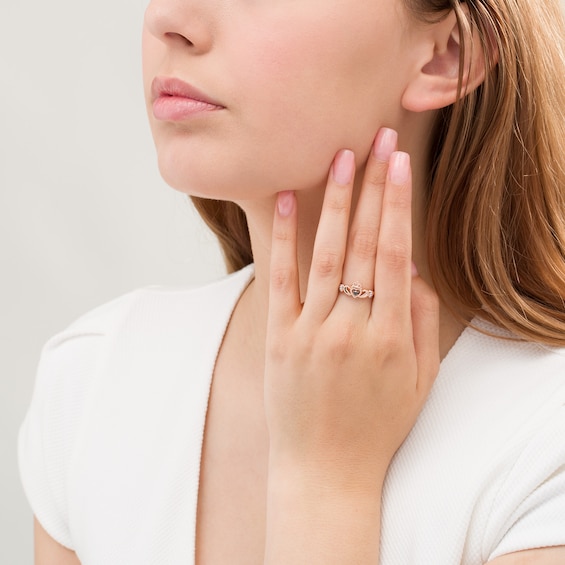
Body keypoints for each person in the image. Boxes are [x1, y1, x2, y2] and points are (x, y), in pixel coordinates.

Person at [19, 0, 565, 563]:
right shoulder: (90, 387)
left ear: (445, 56)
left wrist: (325, 478)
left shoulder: (548, 444)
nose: (169, 19)